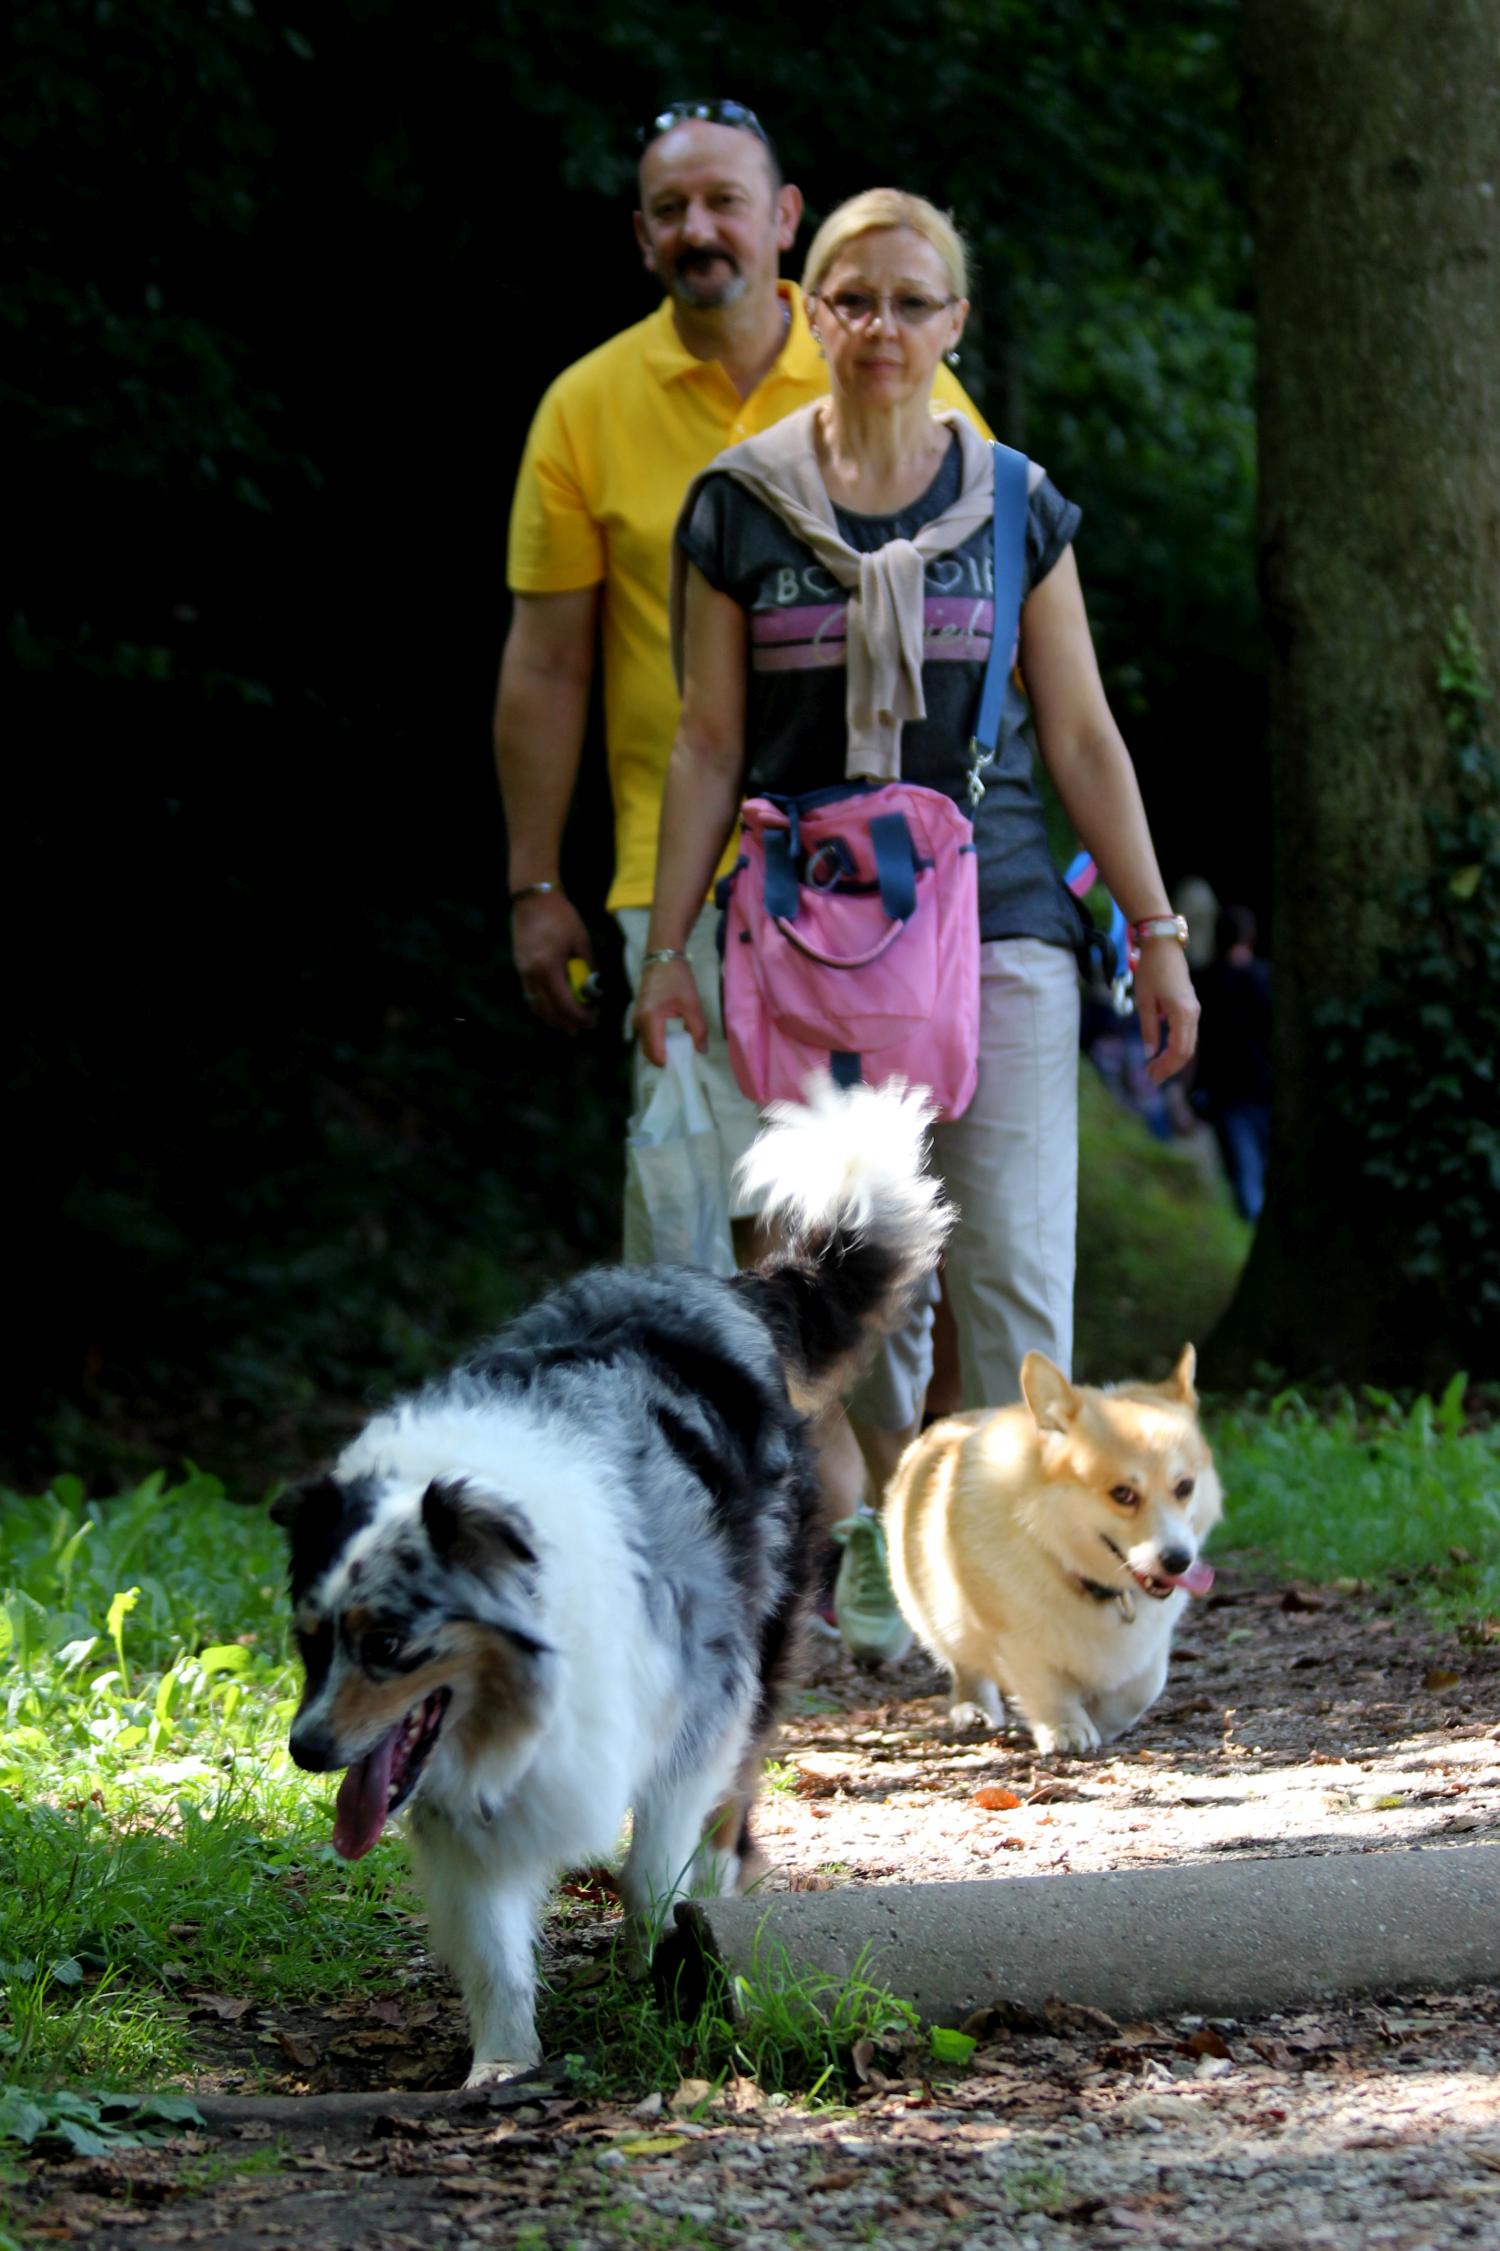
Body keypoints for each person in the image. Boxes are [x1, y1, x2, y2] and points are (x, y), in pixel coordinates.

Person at [634, 188, 1199, 1660]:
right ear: (810, 312)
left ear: (955, 325)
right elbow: (704, 744)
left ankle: (1043, 1614)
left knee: (1014, 1275)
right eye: (853, 299)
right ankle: (909, 1534)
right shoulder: (736, 505)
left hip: (1002, 923)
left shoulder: (1018, 504)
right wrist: (664, 951)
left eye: (913, 302)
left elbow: (1080, 733)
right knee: (847, 1290)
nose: (881, 326)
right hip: (809, 945)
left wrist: (1155, 931)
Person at [494, 104, 987, 1264]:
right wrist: (532, 883)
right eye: (672, 211)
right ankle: (702, 1441)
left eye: (725, 203)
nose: (699, 229)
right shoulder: (586, 405)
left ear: (784, 220)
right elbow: (549, 661)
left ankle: (860, 1444)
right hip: (679, 879)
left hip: (871, 888)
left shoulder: (889, 353)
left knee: (854, 1239)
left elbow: (994, 616)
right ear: (641, 236)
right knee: (689, 1216)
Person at [1191, 904, 1272, 1221]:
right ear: (1251, 937)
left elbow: (1195, 1043)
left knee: (1244, 1175)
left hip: (1225, 1093)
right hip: (1262, 1088)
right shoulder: (1263, 978)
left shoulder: (1205, 982)